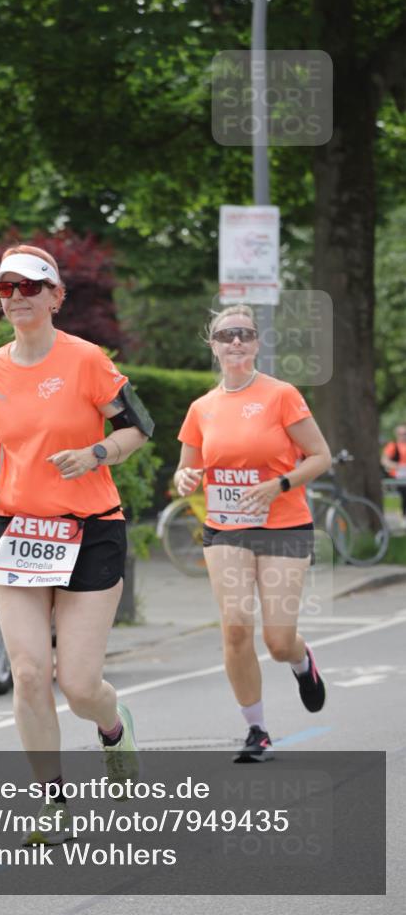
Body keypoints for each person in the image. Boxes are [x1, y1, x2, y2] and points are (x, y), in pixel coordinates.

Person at [0, 245, 153, 841]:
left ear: (55, 297)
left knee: (77, 684)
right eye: (6, 288)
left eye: (29, 287)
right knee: (27, 672)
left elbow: (139, 428)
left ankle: (112, 727)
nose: (16, 297)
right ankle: (53, 805)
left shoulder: (87, 360)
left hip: (89, 528)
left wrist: (96, 452)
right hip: (17, 532)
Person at [175, 304, 332, 762]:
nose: (236, 342)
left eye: (244, 334)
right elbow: (187, 470)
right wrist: (185, 480)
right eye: (227, 336)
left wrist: (278, 485)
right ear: (214, 346)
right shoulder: (201, 407)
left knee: (277, 642)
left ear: (258, 343)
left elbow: (319, 456)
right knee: (237, 630)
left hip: (283, 525)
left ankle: (303, 663)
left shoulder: (282, 395)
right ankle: (256, 729)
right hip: (226, 530)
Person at [381, 424, 406, 525]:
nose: (403, 436)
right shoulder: (392, 446)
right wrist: (397, 466)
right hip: (397, 476)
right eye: (401, 434)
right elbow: (384, 461)